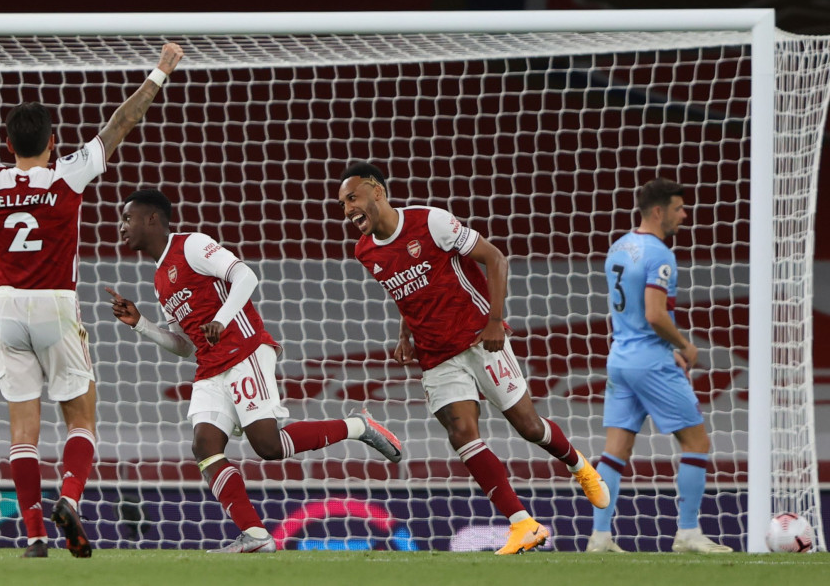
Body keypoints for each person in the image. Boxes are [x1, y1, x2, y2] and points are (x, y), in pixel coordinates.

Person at [0, 43, 185, 558]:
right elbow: (119, 124)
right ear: (54, 142)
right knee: (82, 419)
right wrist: (160, 72)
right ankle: (69, 497)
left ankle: (33, 536)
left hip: (7, 308)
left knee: (22, 431)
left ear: (7, 144)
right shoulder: (67, 174)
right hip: (55, 304)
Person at [106, 188, 403, 554]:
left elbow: (246, 276)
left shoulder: (193, 246)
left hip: (244, 350)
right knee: (204, 445)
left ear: (151, 219)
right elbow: (185, 345)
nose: (121, 226)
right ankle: (256, 535)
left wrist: (221, 318)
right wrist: (141, 324)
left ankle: (358, 426)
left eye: (126, 218)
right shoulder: (159, 280)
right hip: (209, 366)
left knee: (267, 445)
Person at [336, 162, 610, 555]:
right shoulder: (364, 251)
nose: (347, 210)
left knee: (529, 427)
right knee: (462, 432)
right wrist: (405, 334)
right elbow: (407, 292)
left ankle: (578, 465)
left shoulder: (432, 223)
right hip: (436, 355)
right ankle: (523, 524)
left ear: (376, 191)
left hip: (480, 338)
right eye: (342, 204)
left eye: (352, 198)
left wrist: (495, 321)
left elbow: (495, 259)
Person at [588, 178, 732, 554]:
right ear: (658, 211)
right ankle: (687, 532)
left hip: (620, 358)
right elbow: (654, 314)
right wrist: (684, 344)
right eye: (679, 208)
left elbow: (633, 311)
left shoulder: (619, 247)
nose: (684, 215)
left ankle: (600, 536)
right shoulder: (660, 254)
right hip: (651, 360)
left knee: (614, 451)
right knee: (696, 442)